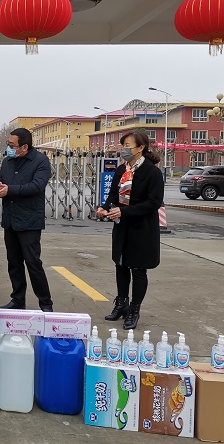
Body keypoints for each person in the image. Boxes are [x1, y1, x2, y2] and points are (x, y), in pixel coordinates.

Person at [96, 130, 163, 330]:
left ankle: (134, 309)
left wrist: (124, 211)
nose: (123, 150)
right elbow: (113, 195)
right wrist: (104, 207)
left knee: (138, 269)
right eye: (122, 146)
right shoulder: (121, 170)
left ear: (141, 148)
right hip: (122, 226)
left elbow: (153, 203)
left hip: (142, 229)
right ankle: (121, 303)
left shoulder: (152, 172)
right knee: (121, 265)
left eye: (128, 146)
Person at [0, 128, 53, 312]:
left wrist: (9, 190)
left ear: (24, 147)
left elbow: (37, 186)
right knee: (14, 263)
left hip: (29, 220)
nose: (9, 148)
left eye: (12, 145)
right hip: (10, 219)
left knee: (33, 263)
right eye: (8, 144)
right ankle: (18, 299)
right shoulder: (7, 161)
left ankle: (46, 304)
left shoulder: (41, 161)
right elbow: (0, 180)